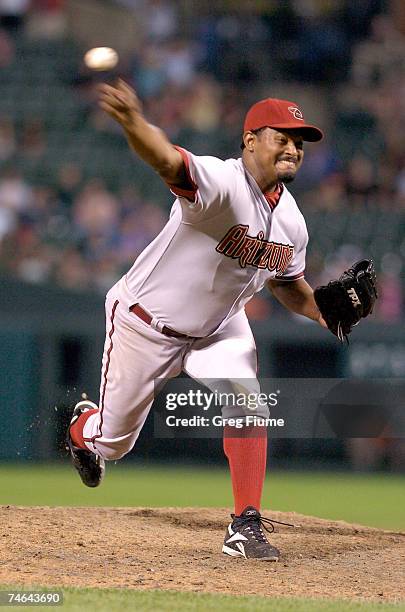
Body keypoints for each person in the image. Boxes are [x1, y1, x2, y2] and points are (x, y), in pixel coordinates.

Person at [66, 79, 326, 561]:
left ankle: (245, 525)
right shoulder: (222, 182)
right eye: (282, 136)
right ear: (250, 140)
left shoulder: (293, 220)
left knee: (249, 404)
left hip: (218, 329)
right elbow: (169, 160)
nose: (293, 147)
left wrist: (324, 311)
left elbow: (287, 284)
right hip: (146, 325)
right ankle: (84, 428)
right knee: (113, 445)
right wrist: (133, 123)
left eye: (299, 141)